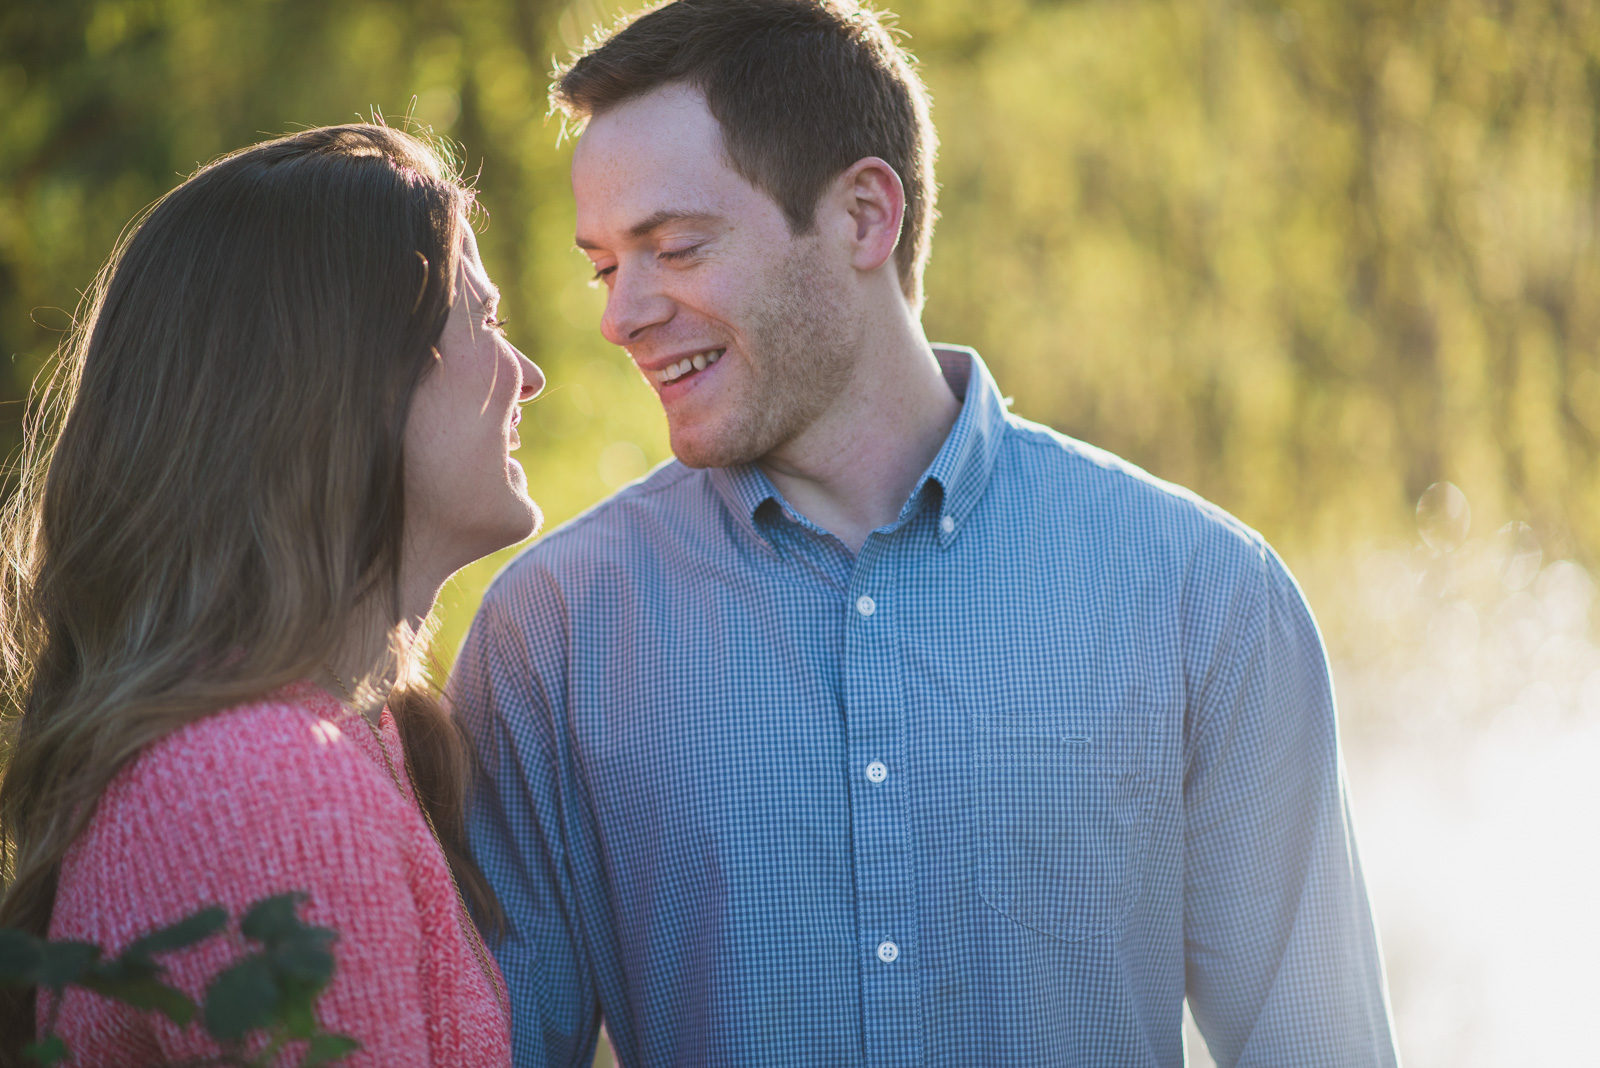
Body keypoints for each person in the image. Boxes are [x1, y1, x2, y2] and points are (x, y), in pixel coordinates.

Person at [451, 0, 1400, 1064]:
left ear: (864, 216)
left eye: (673, 249)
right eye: (604, 266)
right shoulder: (552, 638)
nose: (619, 316)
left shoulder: (1201, 597)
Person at [0, 124, 542, 1066]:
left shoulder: (326, 742)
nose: (527, 376)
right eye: (485, 323)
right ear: (352, 378)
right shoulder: (268, 780)